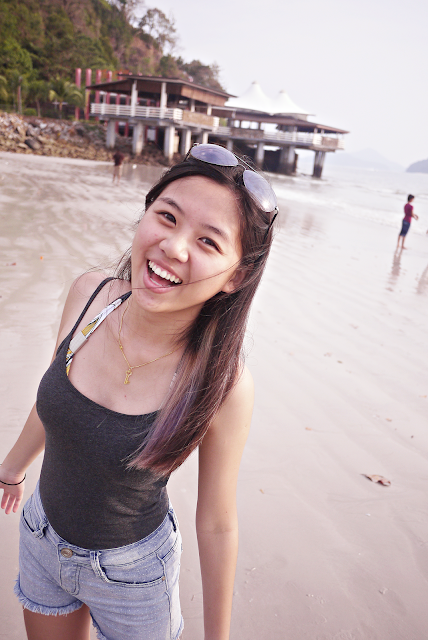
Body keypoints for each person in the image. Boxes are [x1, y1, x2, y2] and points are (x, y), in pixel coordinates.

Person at [0, 143, 278, 640]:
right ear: (144, 214)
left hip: (134, 577)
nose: (174, 246)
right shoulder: (89, 295)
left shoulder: (222, 383)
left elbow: (216, 521)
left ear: (237, 276)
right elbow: (53, 400)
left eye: (209, 242)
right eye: (167, 217)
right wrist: (11, 469)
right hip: (42, 537)